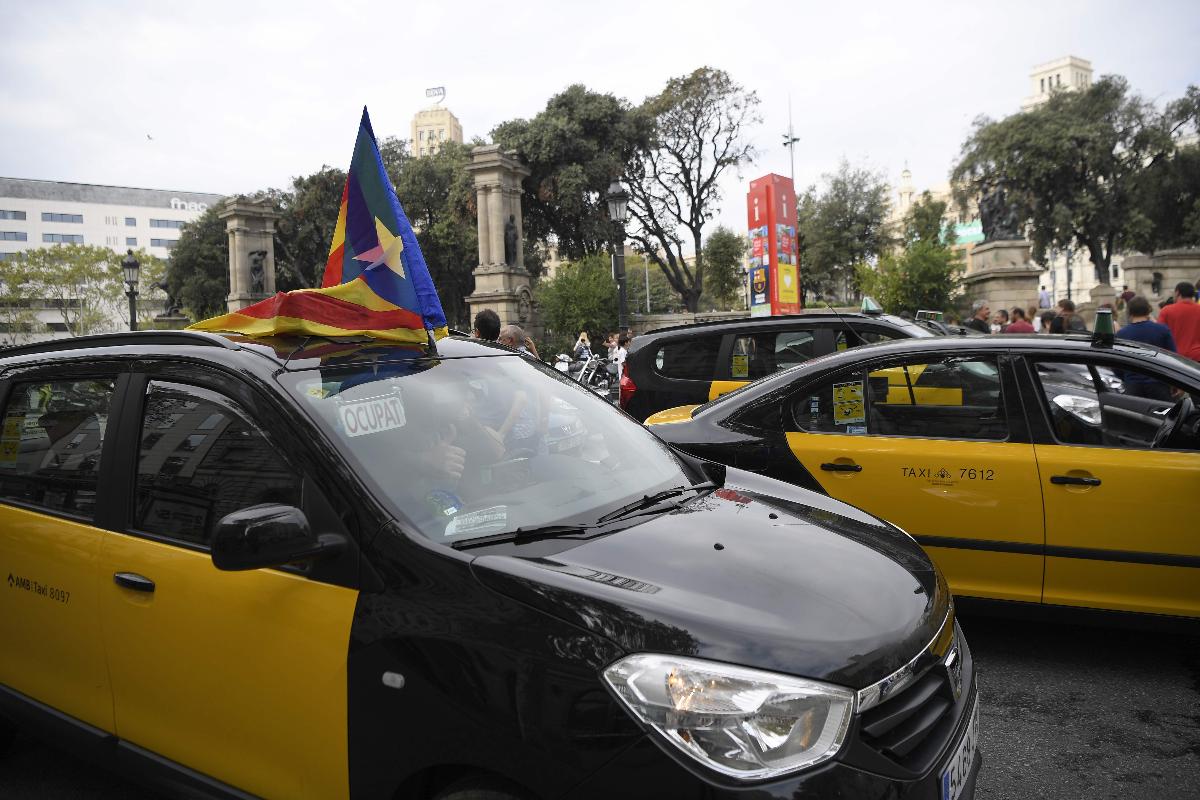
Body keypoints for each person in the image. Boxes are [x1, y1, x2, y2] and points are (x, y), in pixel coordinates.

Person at [1116, 297, 1177, 401]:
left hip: (1132, 384)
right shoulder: (1162, 330)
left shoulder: (1121, 334)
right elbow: (1173, 358)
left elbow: (1116, 363)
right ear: (1148, 310)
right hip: (1159, 382)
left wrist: (1126, 376)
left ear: (1129, 312)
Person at [1158, 281, 1200, 361]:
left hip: (1174, 358)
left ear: (1177, 293)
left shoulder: (1166, 310)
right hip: (1197, 357)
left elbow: (1159, 335)